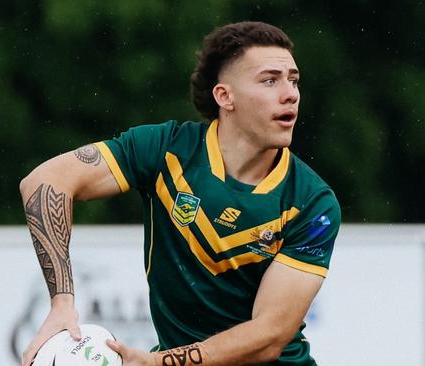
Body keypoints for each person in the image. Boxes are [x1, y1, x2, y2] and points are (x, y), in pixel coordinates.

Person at [20, 21, 341, 366]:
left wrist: (158, 363)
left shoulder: (311, 203)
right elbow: (45, 181)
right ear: (224, 96)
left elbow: (269, 336)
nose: (290, 92)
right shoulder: (166, 150)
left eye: (293, 80)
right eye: (269, 80)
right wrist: (62, 303)